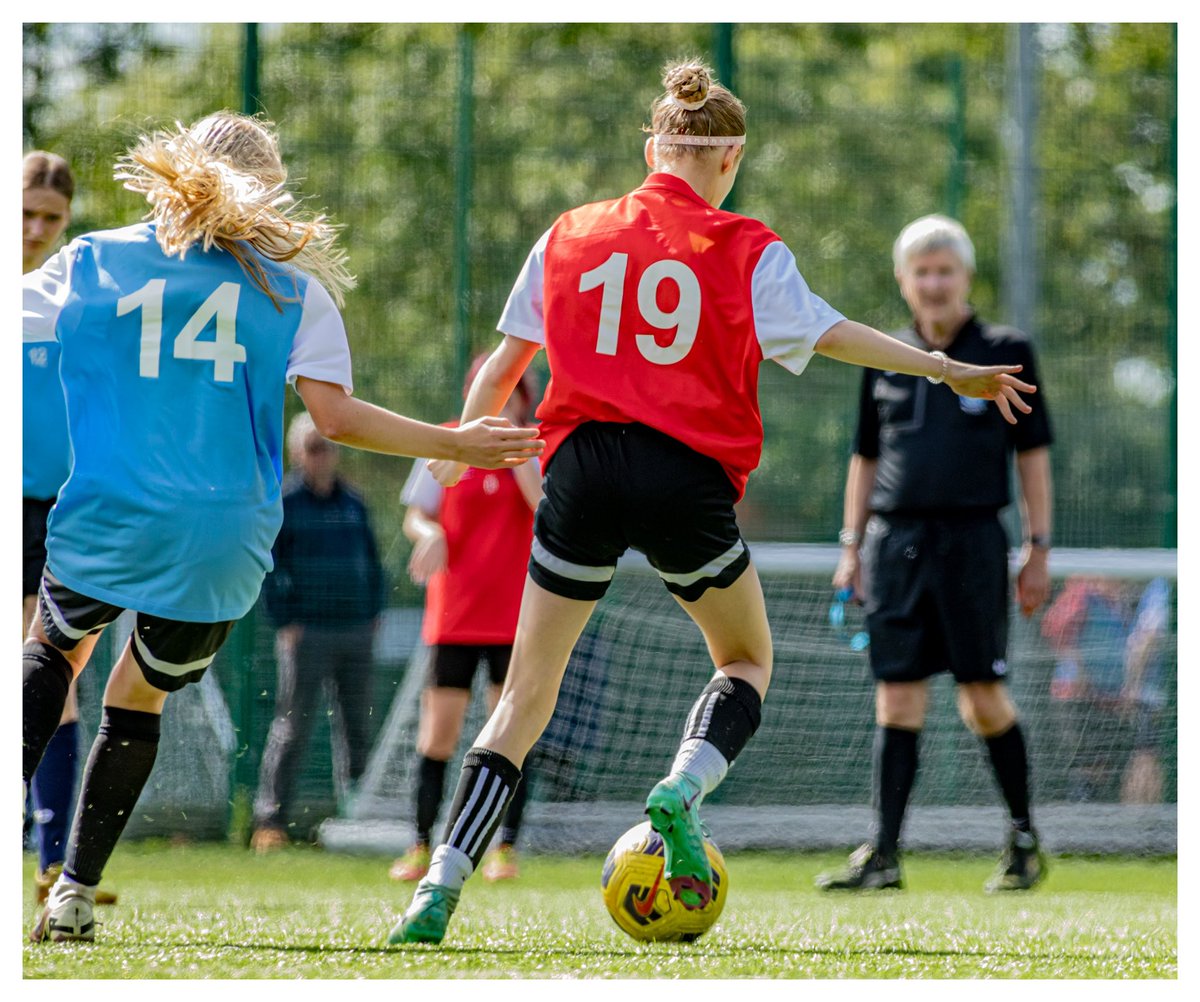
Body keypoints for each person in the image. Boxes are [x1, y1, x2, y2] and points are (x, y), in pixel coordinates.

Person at [389, 61, 1037, 945]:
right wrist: (944, 365)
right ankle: (682, 786)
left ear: (652, 147)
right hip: (681, 476)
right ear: (729, 158)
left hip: (577, 469)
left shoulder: (569, 233)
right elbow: (838, 332)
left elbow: (502, 375)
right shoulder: (747, 247)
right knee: (744, 662)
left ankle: (437, 885)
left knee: (521, 702)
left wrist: (463, 454)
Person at [22, 111, 543, 945]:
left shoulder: (94, 259)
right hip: (223, 542)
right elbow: (334, 419)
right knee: (136, 695)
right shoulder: (291, 287)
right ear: (264, 194)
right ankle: (75, 892)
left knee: (52, 652)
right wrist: (454, 441)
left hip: (112, 513)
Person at [816, 213, 1054, 894]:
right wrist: (851, 548)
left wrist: (1038, 549)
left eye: (945, 269)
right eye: (921, 271)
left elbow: (1033, 458)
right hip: (895, 547)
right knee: (896, 699)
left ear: (965, 277)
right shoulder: (882, 355)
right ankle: (884, 854)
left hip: (975, 545)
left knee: (982, 699)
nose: (934, 282)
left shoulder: (1007, 351)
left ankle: (1022, 841)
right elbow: (864, 458)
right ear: (904, 280)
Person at [388, 356, 542, 884]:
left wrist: (518, 452)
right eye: (490, 387)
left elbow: (545, 508)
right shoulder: (447, 440)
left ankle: (505, 848)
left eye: (510, 389)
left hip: (514, 618)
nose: (500, 397)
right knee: (438, 736)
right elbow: (417, 512)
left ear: (524, 397)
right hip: (454, 615)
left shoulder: (532, 447)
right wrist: (428, 534)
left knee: (510, 733)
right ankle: (420, 845)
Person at [22, 152, 120, 910]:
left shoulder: (81, 294)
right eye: (23, 214)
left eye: (50, 219)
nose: (34, 230)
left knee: (56, 682)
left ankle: (54, 860)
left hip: (64, 513)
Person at [249, 412, 387, 851]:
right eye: (313, 447)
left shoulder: (354, 502)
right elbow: (267, 567)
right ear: (296, 453)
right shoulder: (284, 502)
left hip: (355, 631)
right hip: (306, 634)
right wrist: (285, 621)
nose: (321, 456)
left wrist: (374, 612)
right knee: (293, 727)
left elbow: (373, 562)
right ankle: (270, 822)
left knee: (358, 728)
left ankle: (361, 816)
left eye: (327, 446)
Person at [1042, 575, 1169, 804]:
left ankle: (1139, 830)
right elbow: (1056, 628)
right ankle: (1085, 828)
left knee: (1141, 758)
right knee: (1092, 768)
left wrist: (1131, 688)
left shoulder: (1150, 589)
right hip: (1083, 696)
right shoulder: (1082, 594)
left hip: (1124, 697)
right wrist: (1081, 672)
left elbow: (1146, 641)